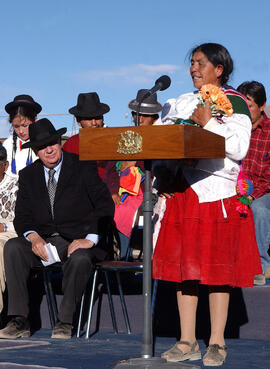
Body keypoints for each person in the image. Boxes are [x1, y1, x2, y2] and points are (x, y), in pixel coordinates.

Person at [152, 43, 261, 366]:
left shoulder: (236, 103)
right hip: (183, 194)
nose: (193, 69)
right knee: (185, 271)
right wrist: (162, 174)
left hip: (217, 194)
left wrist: (207, 123)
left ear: (219, 69)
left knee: (216, 272)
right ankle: (187, 340)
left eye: (200, 63)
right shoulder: (180, 102)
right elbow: (161, 140)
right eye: (192, 63)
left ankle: (216, 341)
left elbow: (239, 147)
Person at [0, 118, 114, 340]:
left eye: (52, 143)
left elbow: (105, 205)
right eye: (42, 147)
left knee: (81, 258)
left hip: (78, 240)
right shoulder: (29, 175)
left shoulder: (82, 166)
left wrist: (90, 238)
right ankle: (19, 319)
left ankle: (65, 321)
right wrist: (33, 237)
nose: (49, 150)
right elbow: (22, 216)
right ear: (35, 151)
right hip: (45, 241)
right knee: (13, 247)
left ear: (59, 142)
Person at [103, 90, 161, 259]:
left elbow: (158, 167)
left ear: (154, 118)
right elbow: (110, 169)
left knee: (125, 210)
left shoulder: (160, 139)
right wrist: (113, 190)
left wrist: (135, 164)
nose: (139, 119)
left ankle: (125, 257)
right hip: (121, 191)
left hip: (147, 191)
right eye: (136, 114)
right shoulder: (123, 137)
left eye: (144, 115)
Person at [237, 81, 270, 285]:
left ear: (262, 106)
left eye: (247, 105)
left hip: (264, 190)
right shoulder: (233, 129)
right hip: (236, 188)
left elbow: (268, 178)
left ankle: (260, 266)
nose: (243, 111)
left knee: (259, 210)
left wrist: (251, 194)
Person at [63, 92, 110, 178]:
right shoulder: (71, 144)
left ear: (102, 118)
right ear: (78, 122)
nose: (94, 123)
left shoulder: (113, 139)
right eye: (88, 119)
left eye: (97, 117)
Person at [3, 94, 42, 178]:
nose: (21, 131)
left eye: (25, 125)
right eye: (16, 126)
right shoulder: (7, 145)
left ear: (35, 119)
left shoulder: (44, 142)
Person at [0, 143, 18, 313]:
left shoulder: (17, 186)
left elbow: (26, 222)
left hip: (10, 233)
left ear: (4, 166)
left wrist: (3, 225)